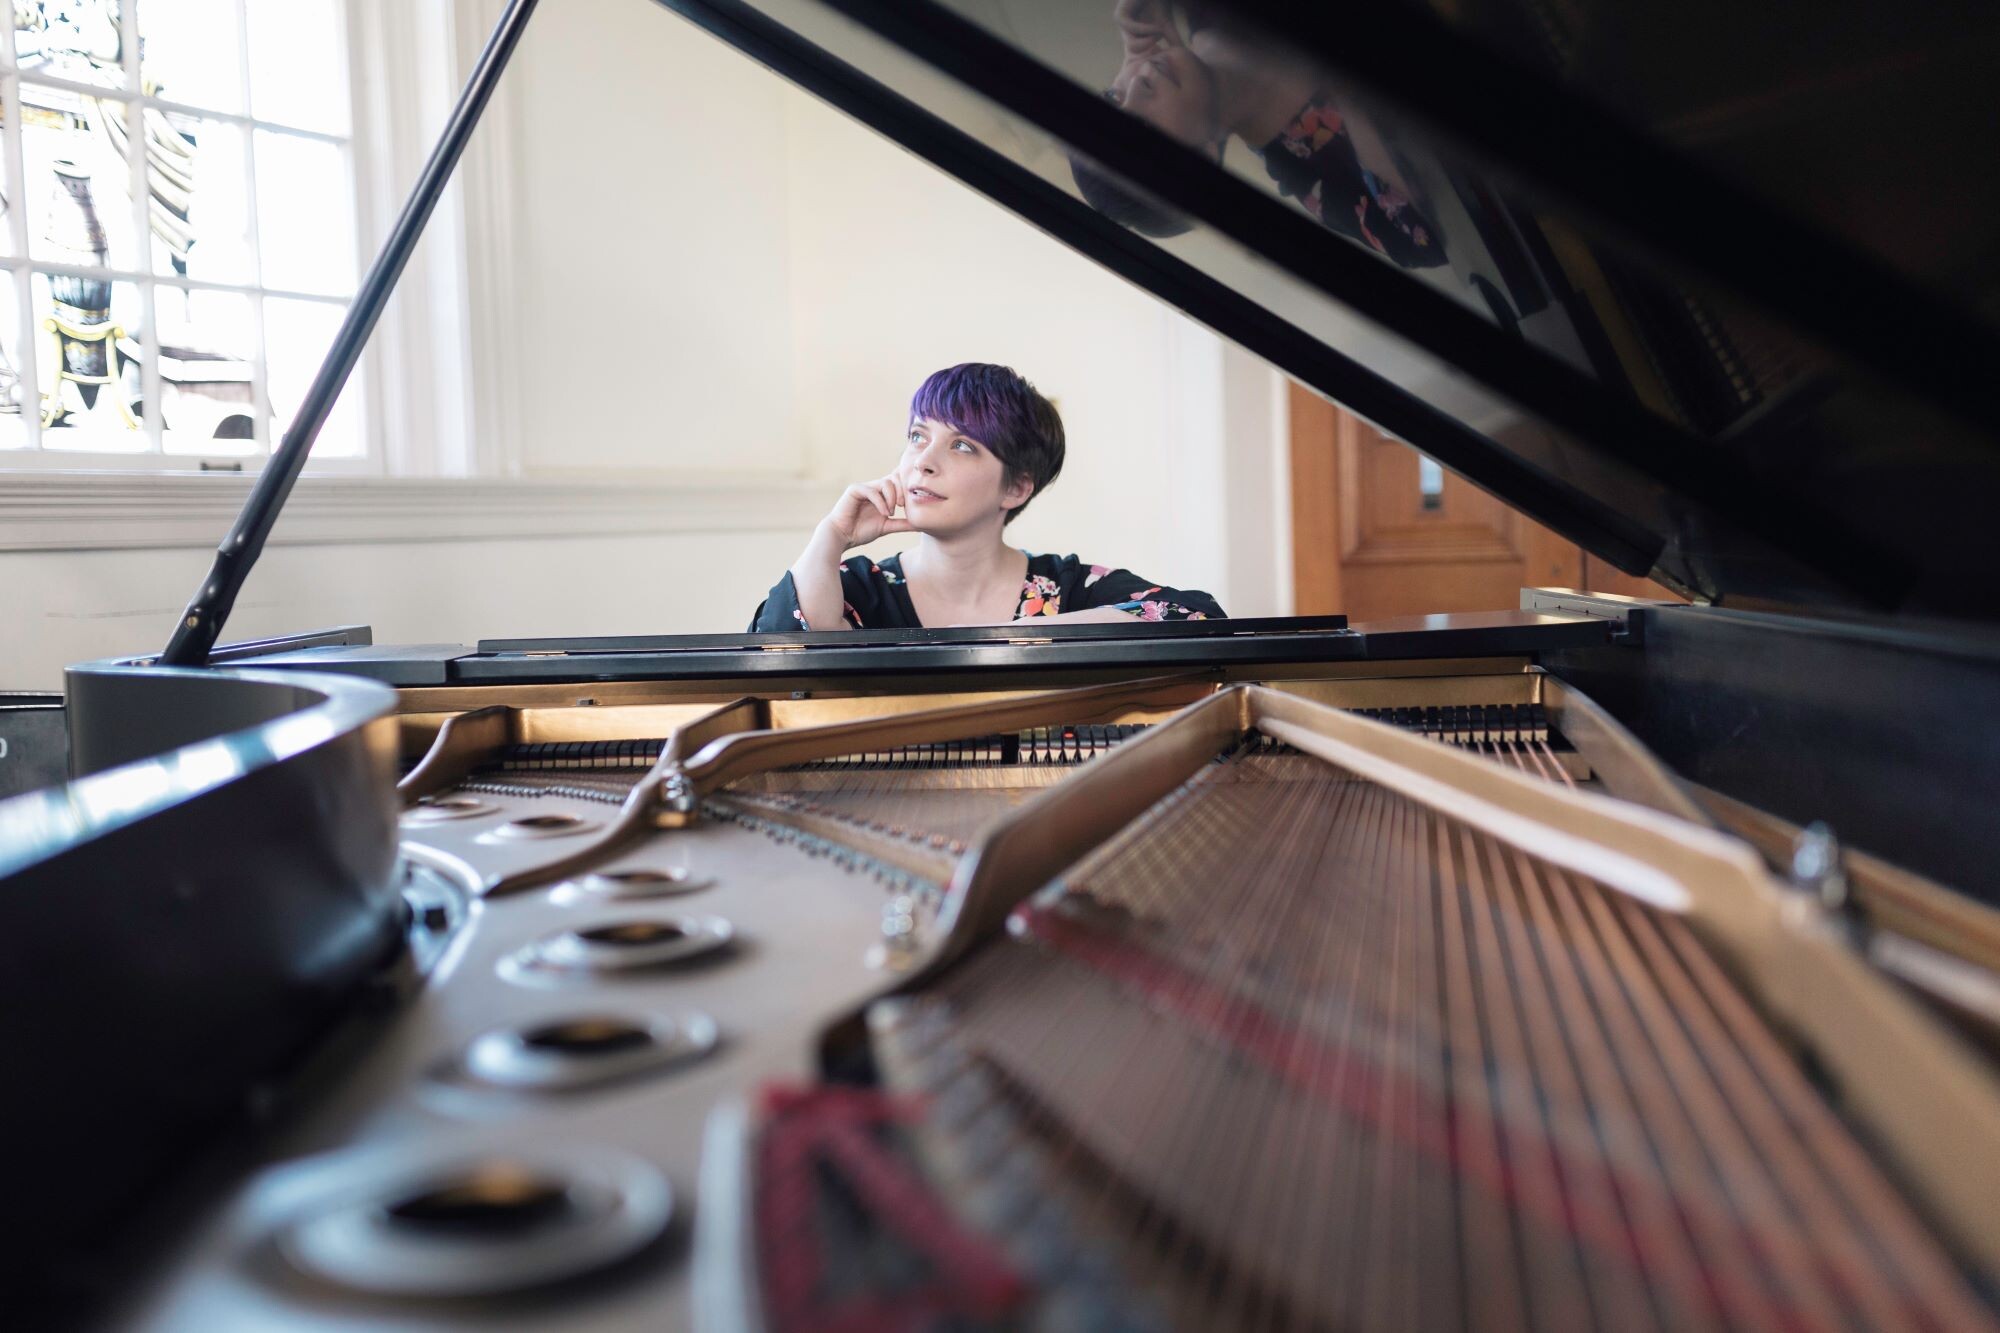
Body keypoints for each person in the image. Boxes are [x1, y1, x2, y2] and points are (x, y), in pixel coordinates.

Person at [750, 363, 1224, 631]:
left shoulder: (1066, 588)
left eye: (962, 446)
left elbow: (1198, 615)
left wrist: (1022, 634)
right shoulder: (859, 587)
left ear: (1016, 488)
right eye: (918, 436)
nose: (923, 461)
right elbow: (777, 649)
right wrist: (831, 535)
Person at [1071, 0, 1446, 269]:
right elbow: (1426, 242)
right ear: (1201, 160)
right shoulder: (1317, 181)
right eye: (1143, 130)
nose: (1136, 88)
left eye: (1112, 98)